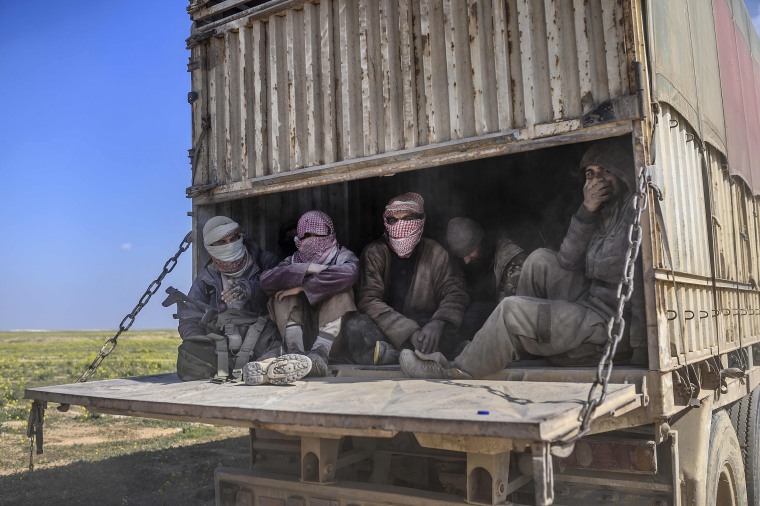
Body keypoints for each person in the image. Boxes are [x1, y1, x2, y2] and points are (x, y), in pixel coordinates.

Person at [400, 138, 636, 379]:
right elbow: (567, 261)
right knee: (540, 259)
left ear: (622, 174)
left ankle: (454, 371)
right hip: (589, 304)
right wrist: (587, 211)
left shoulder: (634, 213)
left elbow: (632, 276)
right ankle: (522, 349)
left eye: (605, 172)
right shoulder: (602, 214)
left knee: (510, 310)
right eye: (590, 174)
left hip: (607, 323)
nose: (596, 181)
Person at [170, 216, 311, 385]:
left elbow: (280, 285)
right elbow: (189, 319)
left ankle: (269, 366)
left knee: (277, 350)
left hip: (264, 335)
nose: (230, 244)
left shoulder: (265, 261)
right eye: (222, 242)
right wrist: (201, 342)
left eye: (233, 238)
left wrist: (250, 289)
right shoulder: (206, 277)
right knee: (190, 353)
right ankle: (245, 368)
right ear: (211, 247)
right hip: (224, 345)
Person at [344, 192, 469, 365]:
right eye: (393, 220)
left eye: (407, 218)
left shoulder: (435, 252)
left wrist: (438, 322)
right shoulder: (375, 252)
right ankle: (412, 356)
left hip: (424, 323)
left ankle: (399, 355)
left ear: (420, 221)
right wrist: (409, 331)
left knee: (463, 323)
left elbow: (455, 292)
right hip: (385, 325)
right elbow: (368, 300)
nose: (400, 224)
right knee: (355, 327)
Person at [260, 210, 359, 377]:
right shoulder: (293, 260)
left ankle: (319, 355)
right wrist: (306, 269)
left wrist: (303, 287)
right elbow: (266, 281)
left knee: (341, 291)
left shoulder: (343, 257)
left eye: (317, 234)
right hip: (301, 333)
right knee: (283, 294)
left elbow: (349, 274)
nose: (311, 240)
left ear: (329, 234)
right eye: (306, 236)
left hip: (333, 340)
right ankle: (295, 355)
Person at [446, 217, 527, 340]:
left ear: (481, 243)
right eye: (462, 256)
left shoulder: (512, 259)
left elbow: (517, 311)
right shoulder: (472, 263)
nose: (466, 261)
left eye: (469, 251)